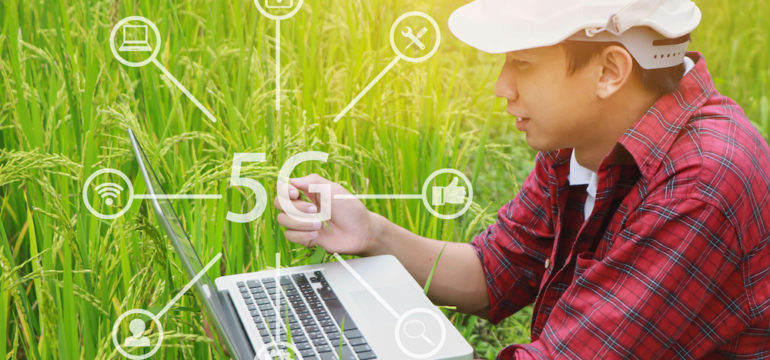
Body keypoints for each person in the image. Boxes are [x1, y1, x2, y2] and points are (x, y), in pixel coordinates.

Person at [274, 0, 770, 358]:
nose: (502, 87)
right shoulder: (584, 142)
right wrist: (372, 232)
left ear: (610, 71)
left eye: (524, 64)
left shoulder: (702, 184)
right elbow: (494, 273)